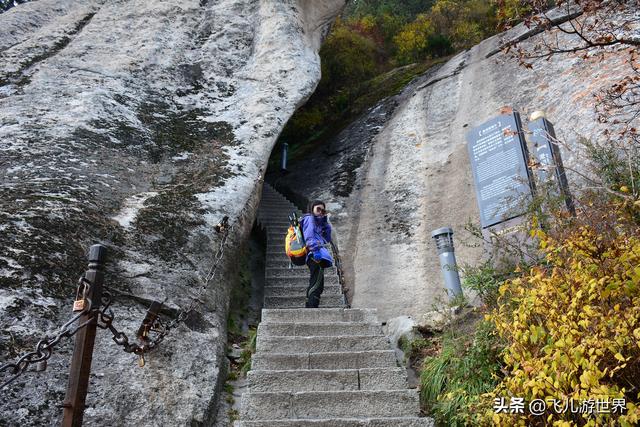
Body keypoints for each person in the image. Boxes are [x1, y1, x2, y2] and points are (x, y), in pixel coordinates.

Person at [300, 200, 332, 308]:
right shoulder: (309, 219)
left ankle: (311, 304)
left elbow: (326, 239)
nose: (320, 212)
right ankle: (311, 306)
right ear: (312, 209)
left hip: (316, 254)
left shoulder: (319, 223)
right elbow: (309, 236)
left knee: (317, 281)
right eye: (318, 209)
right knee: (317, 282)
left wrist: (325, 223)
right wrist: (315, 250)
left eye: (323, 210)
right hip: (314, 254)